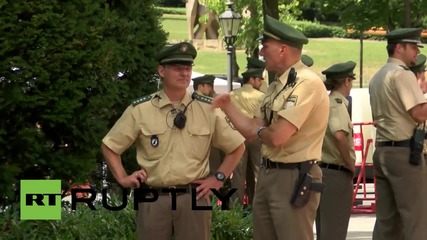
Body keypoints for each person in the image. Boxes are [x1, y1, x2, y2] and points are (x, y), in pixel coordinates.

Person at [101, 41, 245, 240]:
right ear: (162, 70)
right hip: (153, 199)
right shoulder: (141, 110)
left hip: (194, 198)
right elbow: (110, 145)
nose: (184, 74)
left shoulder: (207, 109)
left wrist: (218, 178)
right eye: (178, 69)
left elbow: (237, 146)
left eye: (187, 69)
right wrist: (123, 177)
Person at [212, 15, 329, 240]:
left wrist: (260, 131)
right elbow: (254, 128)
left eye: (265, 47)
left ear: (283, 49)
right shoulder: (278, 84)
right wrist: (227, 106)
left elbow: (277, 136)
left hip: (294, 176)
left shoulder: (307, 83)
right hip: (269, 174)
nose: (262, 52)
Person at [369, 28, 427, 240]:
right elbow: (419, 113)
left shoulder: (378, 76)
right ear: (399, 48)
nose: (416, 53)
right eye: (413, 47)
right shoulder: (402, 74)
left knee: (387, 222)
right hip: (404, 153)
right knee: (416, 220)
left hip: (384, 150)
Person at [316, 61, 357, 240]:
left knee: (324, 228)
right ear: (347, 81)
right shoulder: (338, 104)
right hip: (336, 172)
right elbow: (339, 135)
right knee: (335, 229)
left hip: (322, 169)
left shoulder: (325, 102)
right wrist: (350, 165)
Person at [229, 63, 266, 206]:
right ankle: (256, 206)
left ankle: (235, 210)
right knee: (257, 173)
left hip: (238, 136)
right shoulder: (262, 97)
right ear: (252, 80)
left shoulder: (231, 95)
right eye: (259, 79)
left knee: (238, 174)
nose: (261, 82)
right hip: (257, 136)